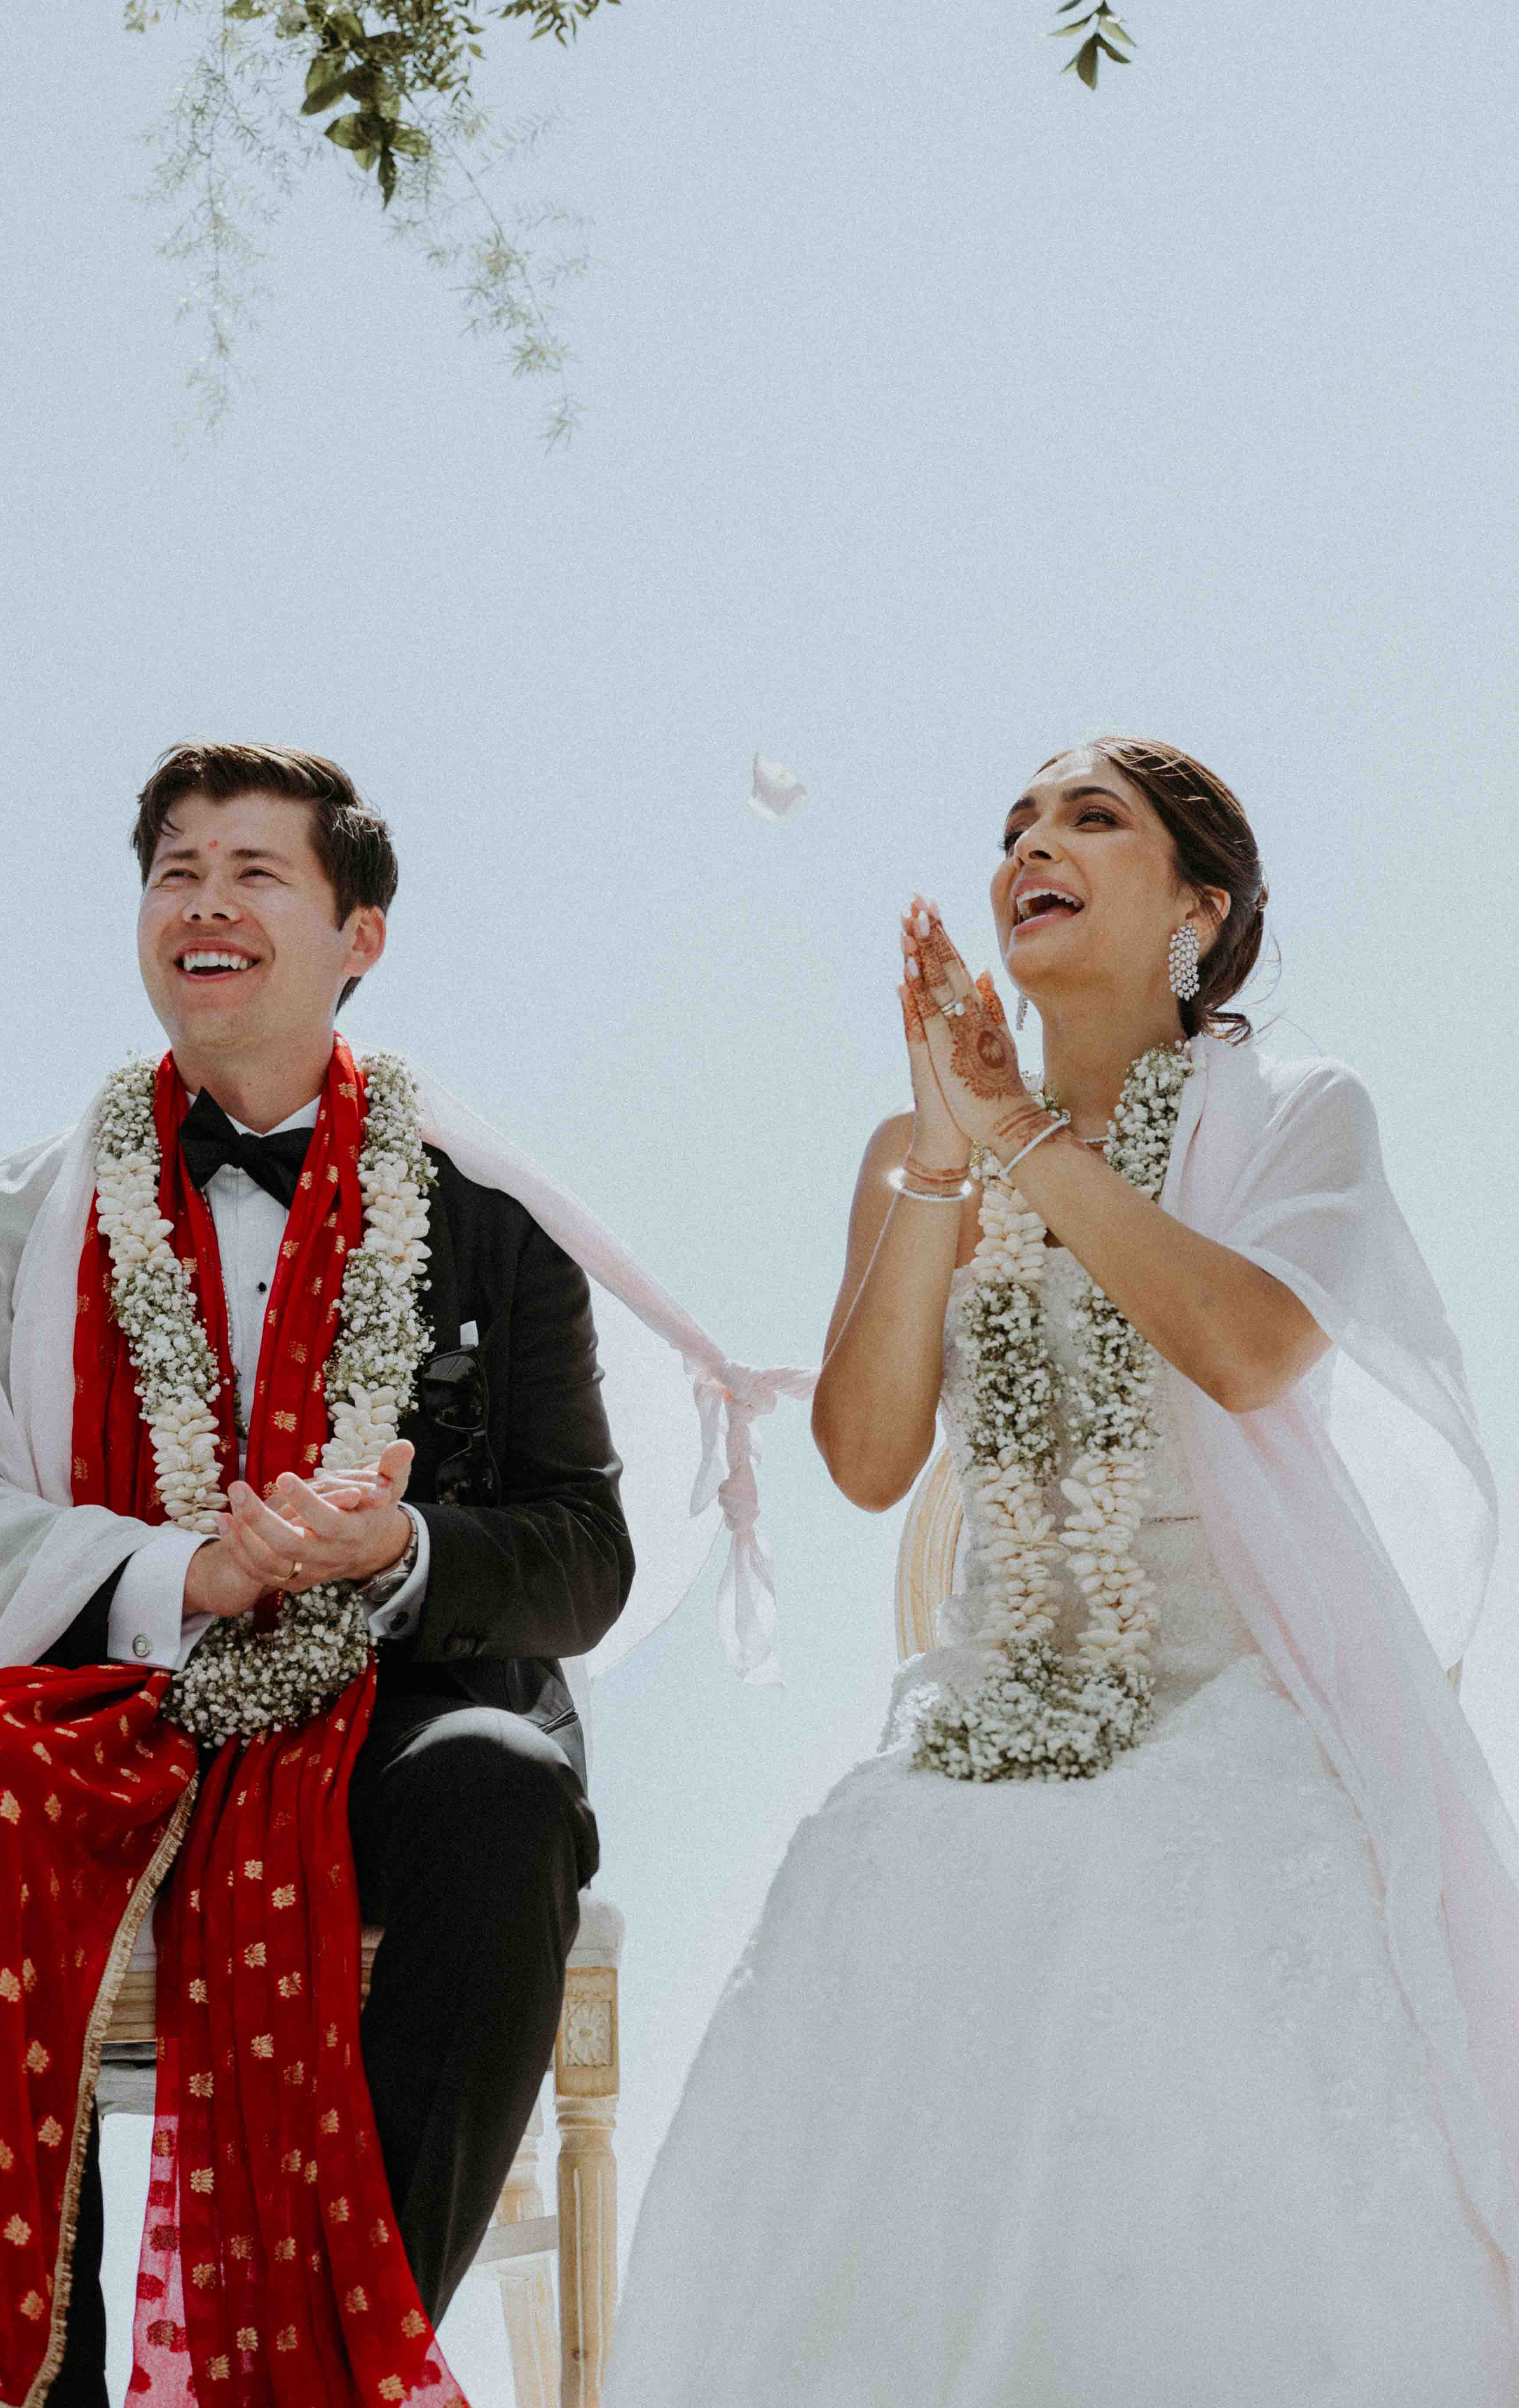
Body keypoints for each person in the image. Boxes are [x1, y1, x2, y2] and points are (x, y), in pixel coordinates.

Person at [604, 737, 1519, 2406]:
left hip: (1238, 1693)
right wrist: (943, 1152)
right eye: (1016, 824)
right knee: (870, 1870)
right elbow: (867, 1457)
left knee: (1143, 1886)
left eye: (1094, 817)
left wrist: (1025, 1132)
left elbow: (1248, 1349)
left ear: (1200, 911)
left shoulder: (1300, 1113)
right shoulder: (920, 1145)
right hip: (992, 1700)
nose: (1035, 843)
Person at [0, 741, 635, 2408]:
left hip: (395, 1708)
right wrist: (172, 1574)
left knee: (503, 1788)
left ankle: (331, 2375)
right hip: (117, 1700)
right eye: (176, 871)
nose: (205, 904)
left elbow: (584, 1554)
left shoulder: (492, 1214)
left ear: (359, 935)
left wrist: (399, 1549)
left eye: (257, 872)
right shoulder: (24, 1211)